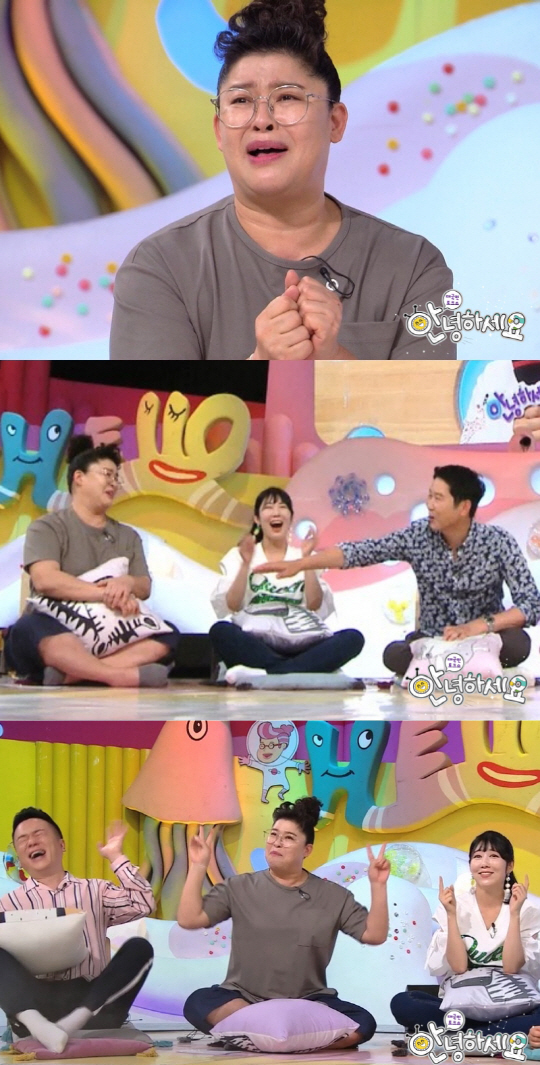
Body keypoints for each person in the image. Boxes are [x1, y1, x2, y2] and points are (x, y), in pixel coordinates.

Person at [110, 0, 455, 361]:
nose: (262, 119)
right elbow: (158, 397)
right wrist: (263, 362)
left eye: (287, 96)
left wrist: (333, 356)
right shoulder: (158, 268)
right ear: (219, 130)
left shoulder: (417, 267)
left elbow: (435, 396)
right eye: (241, 100)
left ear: (335, 122)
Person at [256, 465, 540, 676]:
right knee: (393, 655)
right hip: (433, 641)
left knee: (518, 644)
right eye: (429, 496)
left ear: (464, 506)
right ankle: (447, 666)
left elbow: (530, 604)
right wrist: (302, 562)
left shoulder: (498, 542)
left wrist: (478, 626)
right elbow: (361, 551)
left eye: (438, 498)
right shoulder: (418, 535)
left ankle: (458, 666)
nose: (429, 505)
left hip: (484, 639)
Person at [178, 796, 390, 1046]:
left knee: (363, 1023)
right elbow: (190, 919)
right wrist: (198, 865)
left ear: (307, 850)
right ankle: (292, 1040)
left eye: (289, 838)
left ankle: (253, 1035)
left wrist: (378, 885)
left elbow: (374, 935)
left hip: (307, 1002)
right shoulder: (239, 886)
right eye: (273, 834)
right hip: (243, 999)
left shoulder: (334, 896)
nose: (277, 842)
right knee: (198, 1002)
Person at [4, 436, 180, 688]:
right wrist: (106, 593)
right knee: (28, 628)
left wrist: (127, 583)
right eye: (107, 474)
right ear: (79, 478)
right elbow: (45, 580)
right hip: (57, 625)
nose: (113, 482)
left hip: (112, 630)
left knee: (168, 633)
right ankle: (118, 675)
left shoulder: (128, 536)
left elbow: (144, 586)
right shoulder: (47, 527)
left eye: (116, 477)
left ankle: (73, 674)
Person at [0, 807, 155, 1054]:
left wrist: (116, 857)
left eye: (39, 834)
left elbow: (144, 903)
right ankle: (40, 1027)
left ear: (61, 845)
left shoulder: (96, 890)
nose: (32, 842)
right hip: (35, 1002)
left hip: (94, 1004)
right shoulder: (8, 904)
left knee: (140, 948)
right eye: (23, 839)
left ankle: (66, 1027)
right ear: (18, 855)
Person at [390, 831, 540, 1039]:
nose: (484, 863)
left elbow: (511, 967)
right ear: (470, 865)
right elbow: (459, 967)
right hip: (464, 1005)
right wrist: (452, 915)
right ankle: (497, 1034)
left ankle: (459, 1036)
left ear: (509, 865)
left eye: (493, 856)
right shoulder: (455, 905)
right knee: (404, 1002)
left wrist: (514, 914)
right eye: (477, 857)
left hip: (513, 1005)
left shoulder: (525, 909)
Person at [209, 486, 363, 682]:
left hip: (302, 641)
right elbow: (232, 605)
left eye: (282, 507)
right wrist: (245, 565)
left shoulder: (304, 555)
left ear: (291, 517)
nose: (276, 512)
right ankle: (300, 669)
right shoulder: (240, 554)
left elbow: (314, 604)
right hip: (258, 642)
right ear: (257, 519)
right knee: (221, 631)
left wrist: (306, 559)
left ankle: (269, 672)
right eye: (268, 507)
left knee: (353, 638)